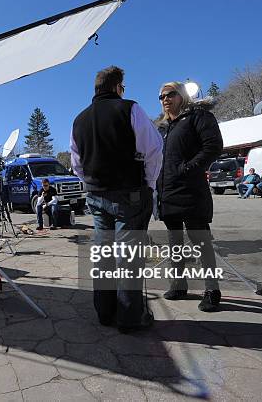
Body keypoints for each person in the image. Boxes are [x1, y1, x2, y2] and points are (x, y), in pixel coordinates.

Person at [71, 65, 162, 332]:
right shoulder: (130, 109)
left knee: (104, 255)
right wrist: (149, 184)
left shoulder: (79, 120)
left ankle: (105, 311)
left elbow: (77, 164)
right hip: (128, 194)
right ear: (117, 86)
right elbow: (154, 149)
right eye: (123, 87)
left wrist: (93, 181)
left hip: (96, 196)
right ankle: (130, 317)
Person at [157, 81, 223, 312]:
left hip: (192, 191)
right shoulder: (164, 128)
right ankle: (178, 284)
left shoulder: (198, 116)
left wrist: (188, 169)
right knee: (174, 242)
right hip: (168, 193)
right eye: (161, 97)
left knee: (201, 242)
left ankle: (212, 290)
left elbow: (213, 146)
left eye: (170, 94)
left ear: (182, 95)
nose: (165, 99)